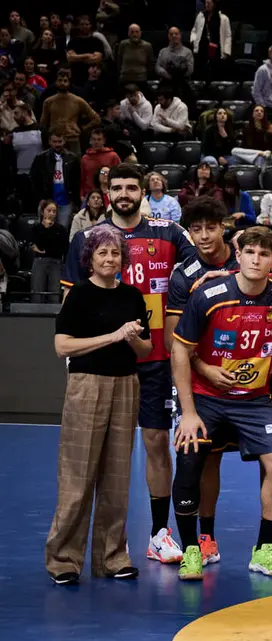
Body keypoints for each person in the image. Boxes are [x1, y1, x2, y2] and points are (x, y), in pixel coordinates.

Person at [62, 165, 197, 565]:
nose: (124, 193)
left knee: (155, 441)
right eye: (117, 187)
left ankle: (158, 534)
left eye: (131, 187)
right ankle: (72, 549)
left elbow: (203, 267)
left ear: (144, 191)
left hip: (153, 358)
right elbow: (70, 304)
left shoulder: (170, 233)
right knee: (92, 457)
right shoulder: (88, 238)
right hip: (101, 364)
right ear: (107, 192)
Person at [167, 227, 272, 581]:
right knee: (190, 457)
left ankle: (264, 548)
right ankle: (192, 548)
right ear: (237, 255)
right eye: (250, 252)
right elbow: (180, 349)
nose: (256, 259)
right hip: (205, 398)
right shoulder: (209, 295)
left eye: (264, 254)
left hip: (255, 400)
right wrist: (188, 412)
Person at [47, 223, 152, 585]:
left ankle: (112, 557)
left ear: (123, 259)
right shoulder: (78, 295)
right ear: (90, 258)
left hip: (126, 385)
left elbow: (146, 349)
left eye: (115, 253)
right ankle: (63, 559)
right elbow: (62, 346)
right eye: (103, 252)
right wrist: (113, 335)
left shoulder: (133, 296)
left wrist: (133, 338)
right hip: (86, 385)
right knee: (77, 477)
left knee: (117, 478)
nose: (110, 258)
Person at [31, 199, 69, 302]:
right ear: (42, 212)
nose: (52, 213)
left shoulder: (61, 229)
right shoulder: (36, 228)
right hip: (39, 261)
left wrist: (45, 251)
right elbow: (35, 246)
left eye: (54, 211)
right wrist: (46, 229)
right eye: (49, 211)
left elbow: (63, 248)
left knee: (54, 294)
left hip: (56, 262)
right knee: (37, 293)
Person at [189, 0, 231, 81]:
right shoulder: (201, 16)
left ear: (214, 4)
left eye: (209, 3)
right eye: (206, 3)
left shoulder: (223, 18)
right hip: (202, 48)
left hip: (216, 49)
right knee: (201, 72)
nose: (207, 5)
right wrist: (193, 41)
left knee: (215, 73)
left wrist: (226, 51)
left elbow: (228, 36)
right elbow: (194, 30)